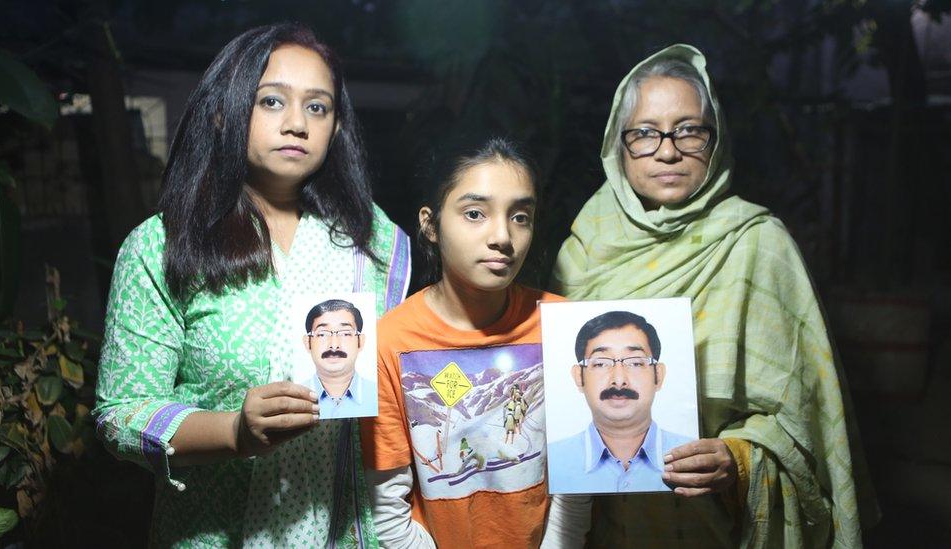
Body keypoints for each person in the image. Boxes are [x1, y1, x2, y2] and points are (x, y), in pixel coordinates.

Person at [93, 23, 410, 547]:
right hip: (215, 530)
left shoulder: (375, 243)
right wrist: (232, 433)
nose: (297, 124)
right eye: (271, 101)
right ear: (223, 113)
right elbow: (119, 415)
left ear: (336, 128)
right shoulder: (163, 246)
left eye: (317, 107)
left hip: (355, 530)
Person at [551, 44, 878, 547]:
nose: (667, 150)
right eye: (644, 133)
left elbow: (804, 425)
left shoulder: (758, 244)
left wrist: (738, 459)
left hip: (716, 525)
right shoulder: (582, 252)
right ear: (618, 148)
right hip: (601, 527)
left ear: (716, 137)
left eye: (688, 130)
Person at [360, 137, 589, 548]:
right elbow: (389, 506)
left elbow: (575, 487)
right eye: (474, 213)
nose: (503, 236)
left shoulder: (565, 324)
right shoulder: (388, 342)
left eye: (520, 216)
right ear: (430, 224)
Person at [547, 310, 691, 494]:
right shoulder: (553, 462)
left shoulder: (691, 454)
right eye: (600, 363)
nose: (619, 380)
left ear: (659, 375)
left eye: (636, 363)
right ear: (579, 377)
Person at [301, 299, 378, 419]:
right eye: (322, 334)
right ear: (307, 343)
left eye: (345, 333)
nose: (334, 345)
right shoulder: (297, 398)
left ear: (360, 342)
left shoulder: (377, 395)